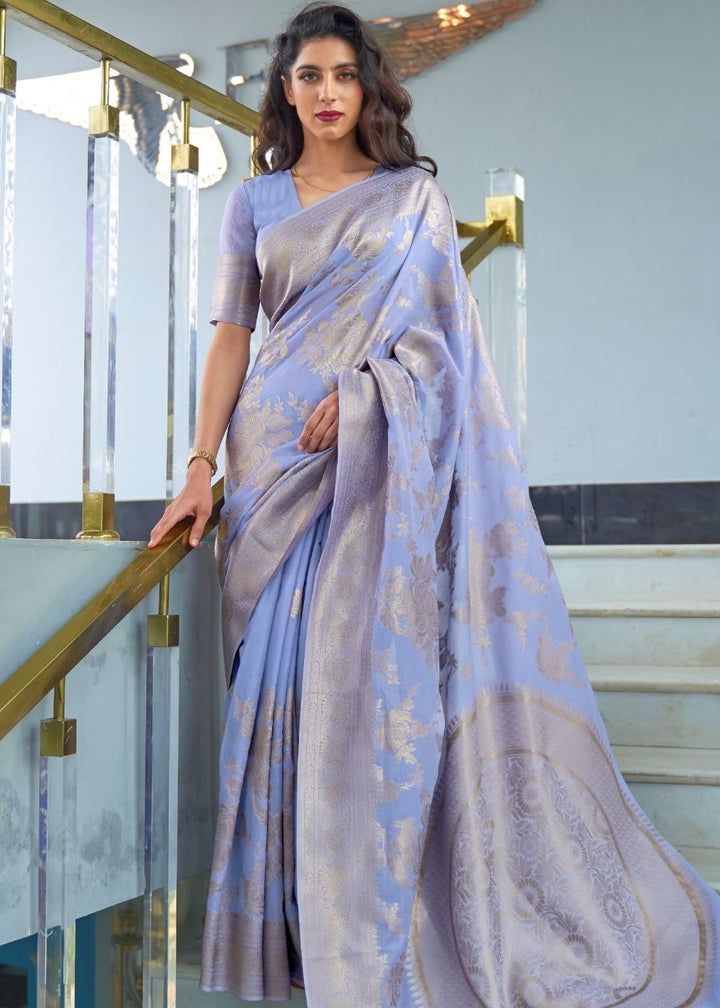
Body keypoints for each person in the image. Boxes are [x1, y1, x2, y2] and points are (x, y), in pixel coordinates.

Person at [149, 3, 720, 1005]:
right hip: (271, 467)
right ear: (285, 89)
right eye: (309, 76)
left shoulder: (412, 198)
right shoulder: (254, 203)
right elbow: (233, 334)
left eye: (344, 75)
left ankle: (371, 922)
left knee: (357, 693)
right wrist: (200, 463)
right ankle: (294, 933)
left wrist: (369, 398)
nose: (328, 93)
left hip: (373, 468)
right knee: (280, 692)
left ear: (368, 86)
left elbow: (443, 352)